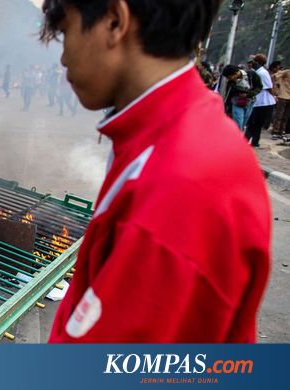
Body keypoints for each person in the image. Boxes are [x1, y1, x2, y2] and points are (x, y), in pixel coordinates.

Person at [39, 0, 269, 343]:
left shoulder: (178, 184)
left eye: (66, 32)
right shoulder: (174, 130)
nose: (63, 58)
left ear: (115, 21)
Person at [245, 54, 275, 148]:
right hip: (257, 101)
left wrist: (274, 96)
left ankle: (251, 142)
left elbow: (269, 87)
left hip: (263, 102)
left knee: (255, 123)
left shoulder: (262, 73)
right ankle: (251, 142)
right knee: (253, 123)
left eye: (253, 61)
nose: (251, 63)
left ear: (257, 62)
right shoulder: (255, 71)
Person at [222, 64, 261, 132]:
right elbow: (228, 95)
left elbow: (259, 87)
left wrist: (248, 94)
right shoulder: (231, 82)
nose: (229, 79)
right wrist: (227, 108)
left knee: (242, 124)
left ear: (235, 73)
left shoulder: (251, 75)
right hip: (236, 103)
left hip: (250, 102)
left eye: (229, 77)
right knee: (238, 124)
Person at [270, 61, 290, 140]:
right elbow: (274, 76)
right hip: (283, 96)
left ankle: (281, 132)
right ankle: (275, 132)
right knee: (279, 115)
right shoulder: (287, 72)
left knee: (285, 116)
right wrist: (276, 89)